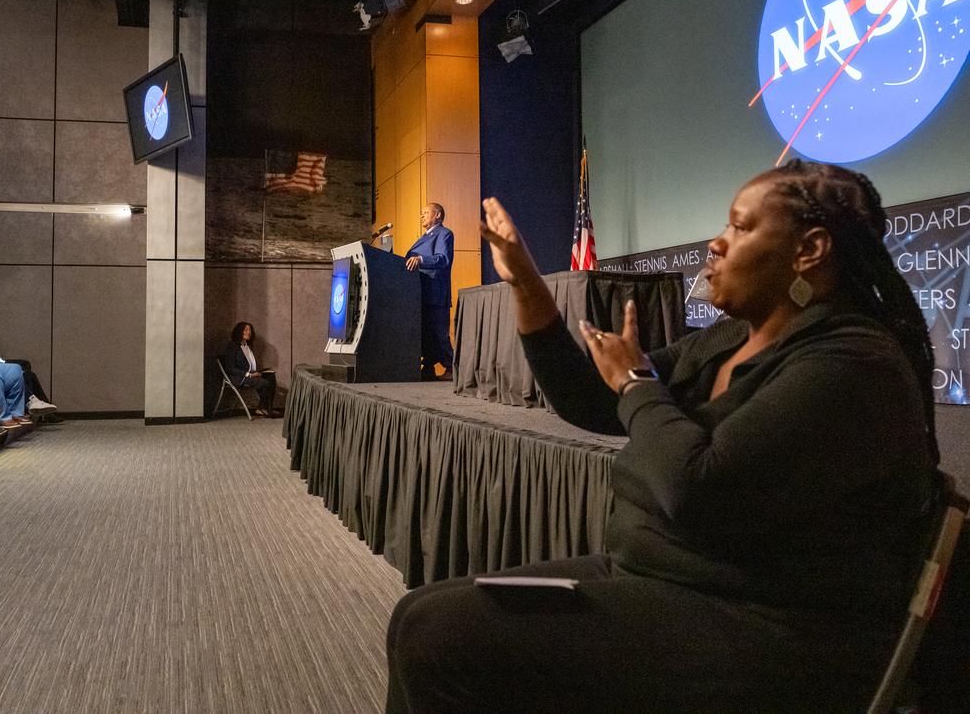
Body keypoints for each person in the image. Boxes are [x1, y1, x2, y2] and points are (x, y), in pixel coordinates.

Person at [386, 161, 940, 713]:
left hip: (763, 624)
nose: (716, 244)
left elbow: (701, 490)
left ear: (810, 251)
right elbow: (591, 401)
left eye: (740, 228)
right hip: (658, 575)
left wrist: (635, 382)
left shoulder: (854, 364)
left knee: (436, 639)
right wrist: (529, 286)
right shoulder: (727, 340)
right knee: (415, 612)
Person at [404, 202, 454, 381]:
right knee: (425, 332)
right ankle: (428, 367)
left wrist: (421, 259)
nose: (421, 215)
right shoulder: (423, 237)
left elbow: (443, 259)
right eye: (421, 213)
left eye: (426, 212)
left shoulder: (444, 234)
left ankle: (452, 367)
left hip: (435, 292)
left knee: (439, 332)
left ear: (438, 215)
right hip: (421, 292)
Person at [223, 321, 278, 417]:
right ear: (239, 332)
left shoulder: (248, 346)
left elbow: (249, 364)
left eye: (250, 330)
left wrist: (257, 372)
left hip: (251, 374)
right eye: (246, 330)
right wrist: (249, 374)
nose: (249, 332)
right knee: (264, 383)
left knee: (271, 376)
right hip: (238, 377)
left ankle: (267, 408)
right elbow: (230, 368)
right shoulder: (232, 347)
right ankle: (262, 409)